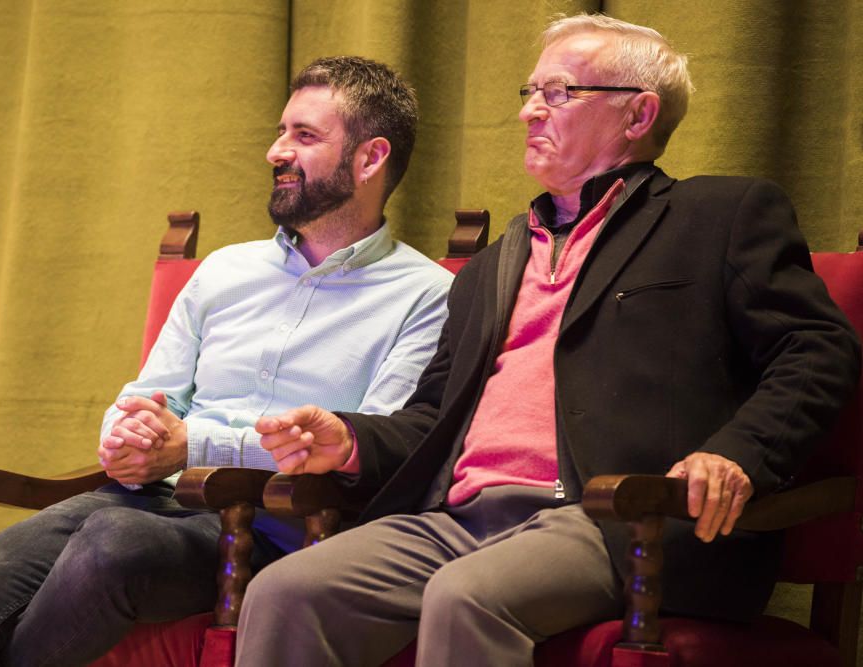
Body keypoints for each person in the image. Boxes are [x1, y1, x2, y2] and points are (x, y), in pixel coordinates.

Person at [236, 14, 862, 666]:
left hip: (611, 518)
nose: (531, 112)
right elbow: (430, 419)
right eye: (529, 93)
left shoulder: (719, 218)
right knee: (286, 589)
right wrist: (350, 439)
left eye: (558, 93)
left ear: (639, 114)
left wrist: (736, 454)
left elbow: (818, 348)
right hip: (459, 515)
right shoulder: (491, 266)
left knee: (465, 595)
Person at [0, 56, 454, 666]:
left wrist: (192, 444)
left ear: (370, 157)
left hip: (269, 529)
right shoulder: (224, 270)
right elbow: (148, 398)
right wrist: (125, 436)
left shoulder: (427, 295)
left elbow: (371, 452)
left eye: (304, 136)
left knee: (116, 544)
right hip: (137, 500)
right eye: (280, 132)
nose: (276, 151)